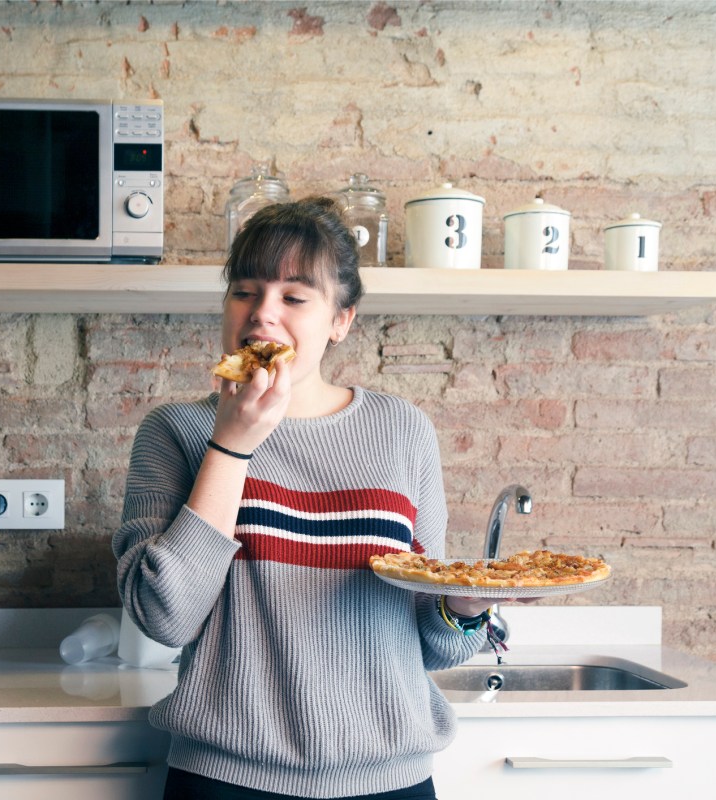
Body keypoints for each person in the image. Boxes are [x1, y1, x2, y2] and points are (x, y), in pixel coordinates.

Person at [113, 197, 494, 800]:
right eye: (245, 291)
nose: (263, 314)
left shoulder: (403, 432)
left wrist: (469, 606)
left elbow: (432, 642)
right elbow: (165, 617)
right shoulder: (177, 433)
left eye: (294, 297)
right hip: (226, 779)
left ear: (341, 320)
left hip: (390, 780)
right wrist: (232, 444)